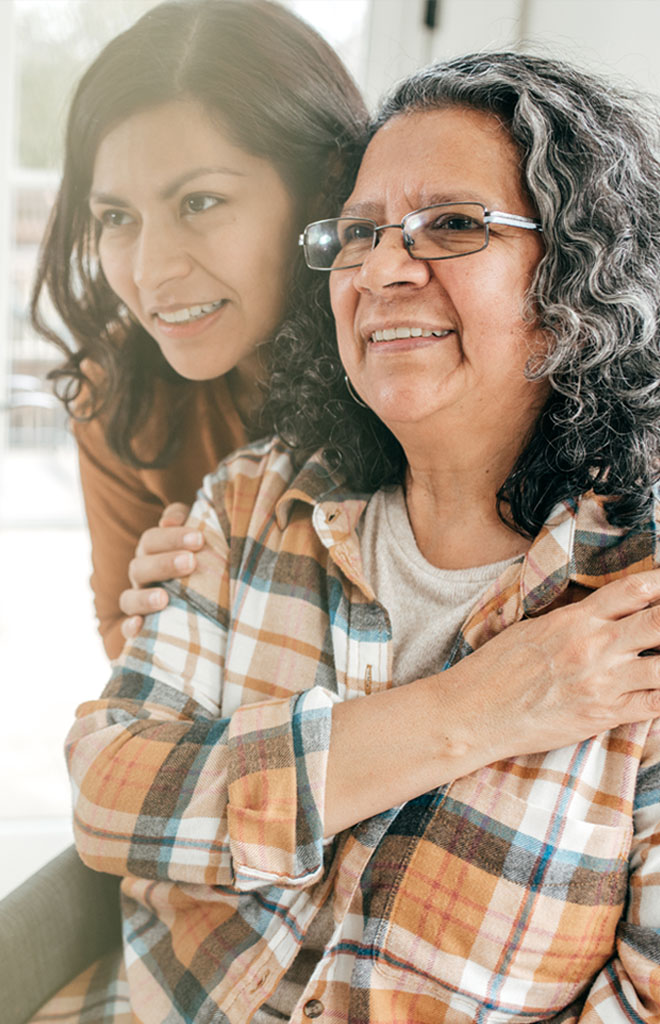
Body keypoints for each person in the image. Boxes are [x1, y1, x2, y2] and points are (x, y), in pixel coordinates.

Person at [59, 51, 660, 1023]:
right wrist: (474, 710)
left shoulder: (636, 592)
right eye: (359, 233)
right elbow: (111, 792)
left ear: (579, 283)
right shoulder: (253, 500)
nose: (382, 267)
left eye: (455, 225)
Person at [30, 0, 368, 659]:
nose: (151, 272)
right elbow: (124, 650)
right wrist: (164, 624)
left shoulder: (412, 361)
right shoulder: (119, 394)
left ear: (324, 188)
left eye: (200, 202)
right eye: (116, 217)